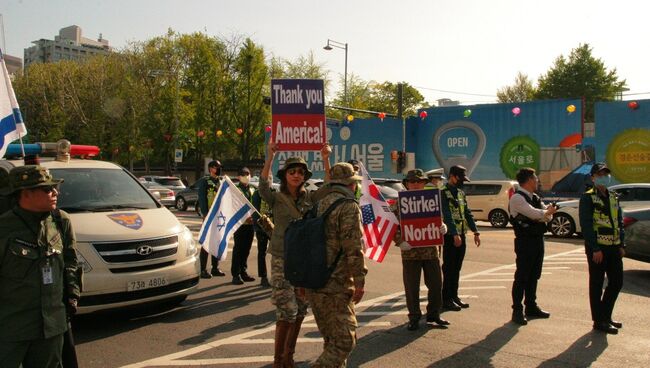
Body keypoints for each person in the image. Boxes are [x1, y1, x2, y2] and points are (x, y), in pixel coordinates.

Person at [0, 165, 81, 368]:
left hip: (51, 326)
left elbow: (70, 261)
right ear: (25, 193)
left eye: (54, 188)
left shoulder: (60, 221)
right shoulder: (4, 228)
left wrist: (73, 294)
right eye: (47, 189)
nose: (55, 193)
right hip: (11, 327)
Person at [259, 141, 331, 368]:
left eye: (300, 172)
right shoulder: (276, 197)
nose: (297, 175)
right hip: (282, 256)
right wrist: (269, 156)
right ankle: (278, 361)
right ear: (285, 175)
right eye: (292, 172)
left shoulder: (309, 197)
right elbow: (262, 184)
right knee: (287, 310)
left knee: (300, 308)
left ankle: (288, 356)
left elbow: (329, 187)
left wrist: (326, 158)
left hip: (303, 259)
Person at [306, 162, 367, 367]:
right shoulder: (348, 206)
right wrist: (359, 280)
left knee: (331, 340)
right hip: (337, 284)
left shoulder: (318, 205)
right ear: (350, 185)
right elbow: (353, 248)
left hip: (315, 280)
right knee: (344, 342)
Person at [393, 169, 449, 331]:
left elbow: (439, 219)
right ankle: (414, 317)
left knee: (436, 284)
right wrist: (399, 241)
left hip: (430, 251)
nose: (416, 184)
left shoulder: (432, 199)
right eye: (413, 182)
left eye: (419, 182)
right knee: (412, 287)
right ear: (407, 184)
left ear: (424, 183)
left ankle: (433, 314)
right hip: (410, 252)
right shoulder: (400, 202)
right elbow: (393, 226)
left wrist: (441, 227)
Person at [579, 162, 625, 335]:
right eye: (600, 174)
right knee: (597, 284)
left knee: (617, 282)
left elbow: (619, 222)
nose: (604, 177)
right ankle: (599, 320)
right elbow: (586, 225)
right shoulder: (588, 197)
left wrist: (622, 244)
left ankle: (606, 315)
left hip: (614, 247)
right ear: (592, 177)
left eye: (606, 174)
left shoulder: (614, 196)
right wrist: (595, 248)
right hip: (597, 249)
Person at [508, 168, 557, 325]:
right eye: (535, 178)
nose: (537, 181)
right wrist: (544, 213)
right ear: (529, 180)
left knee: (534, 275)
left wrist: (544, 214)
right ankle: (517, 310)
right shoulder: (517, 198)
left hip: (537, 240)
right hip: (525, 241)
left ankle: (531, 306)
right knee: (522, 276)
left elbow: (547, 217)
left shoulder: (534, 197)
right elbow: (536, 214)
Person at [441, 165, 481, 311]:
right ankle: (446, 299)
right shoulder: (443, 193)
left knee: (457, 268)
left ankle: (454, 296)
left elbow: (467, 213)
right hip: (450, 236)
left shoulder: (460, 193)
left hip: (461, 235)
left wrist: (476, 232)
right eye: (460, 178)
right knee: (449, 268)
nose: (462, 181)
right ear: (452, 176)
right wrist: (454, 233)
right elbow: (447, 214)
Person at [197, 160, 225, 278]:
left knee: (217, 241)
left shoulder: (221, 181)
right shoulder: (205, 181)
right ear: (210, 168)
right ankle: (203, 269)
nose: (218, 169)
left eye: (219, 167)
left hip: (219, 216)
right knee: (207, 242)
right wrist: (205, 214)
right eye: (216, 167)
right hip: (209, 216)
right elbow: (202, 198)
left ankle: (215, 267)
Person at [231, 167, 256, 285]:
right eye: (244, 174)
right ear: (239, 177)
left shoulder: (252, 189)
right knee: (238, 249)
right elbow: (233, 205)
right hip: (240, 224)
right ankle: (235, 274)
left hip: (250, 224)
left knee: (246, 249)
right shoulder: (236, 189)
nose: (246, 176)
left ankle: (243, 272)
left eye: (248, 174)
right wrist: (244, 217)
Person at [252, 184, 272, 287]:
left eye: (270, 178)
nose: (268, 180)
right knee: (262, 253)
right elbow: (255, 212)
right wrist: (258, 227)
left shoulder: (274, 191)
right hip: (262, 227)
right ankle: (263, 277)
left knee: (277, 253)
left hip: (273, 227)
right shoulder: (257, 193)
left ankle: (276, 275)